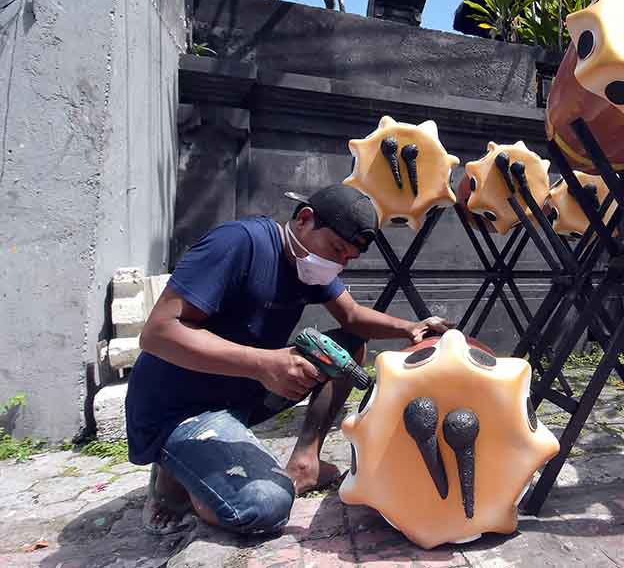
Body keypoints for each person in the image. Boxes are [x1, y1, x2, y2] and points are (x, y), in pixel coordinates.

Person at [125, 184, 451, 536]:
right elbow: (158, 332)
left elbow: (353, 318)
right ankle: (173, 483)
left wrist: (411, 327)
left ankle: (305, 463)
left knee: (346, 347)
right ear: (304, 219)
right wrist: (264, 364)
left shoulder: (309, 266)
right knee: (266, 506)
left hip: (242, 391)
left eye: (347, 259)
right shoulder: (239, 243)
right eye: (337, 249)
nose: (338, 264)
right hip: (179, 410)